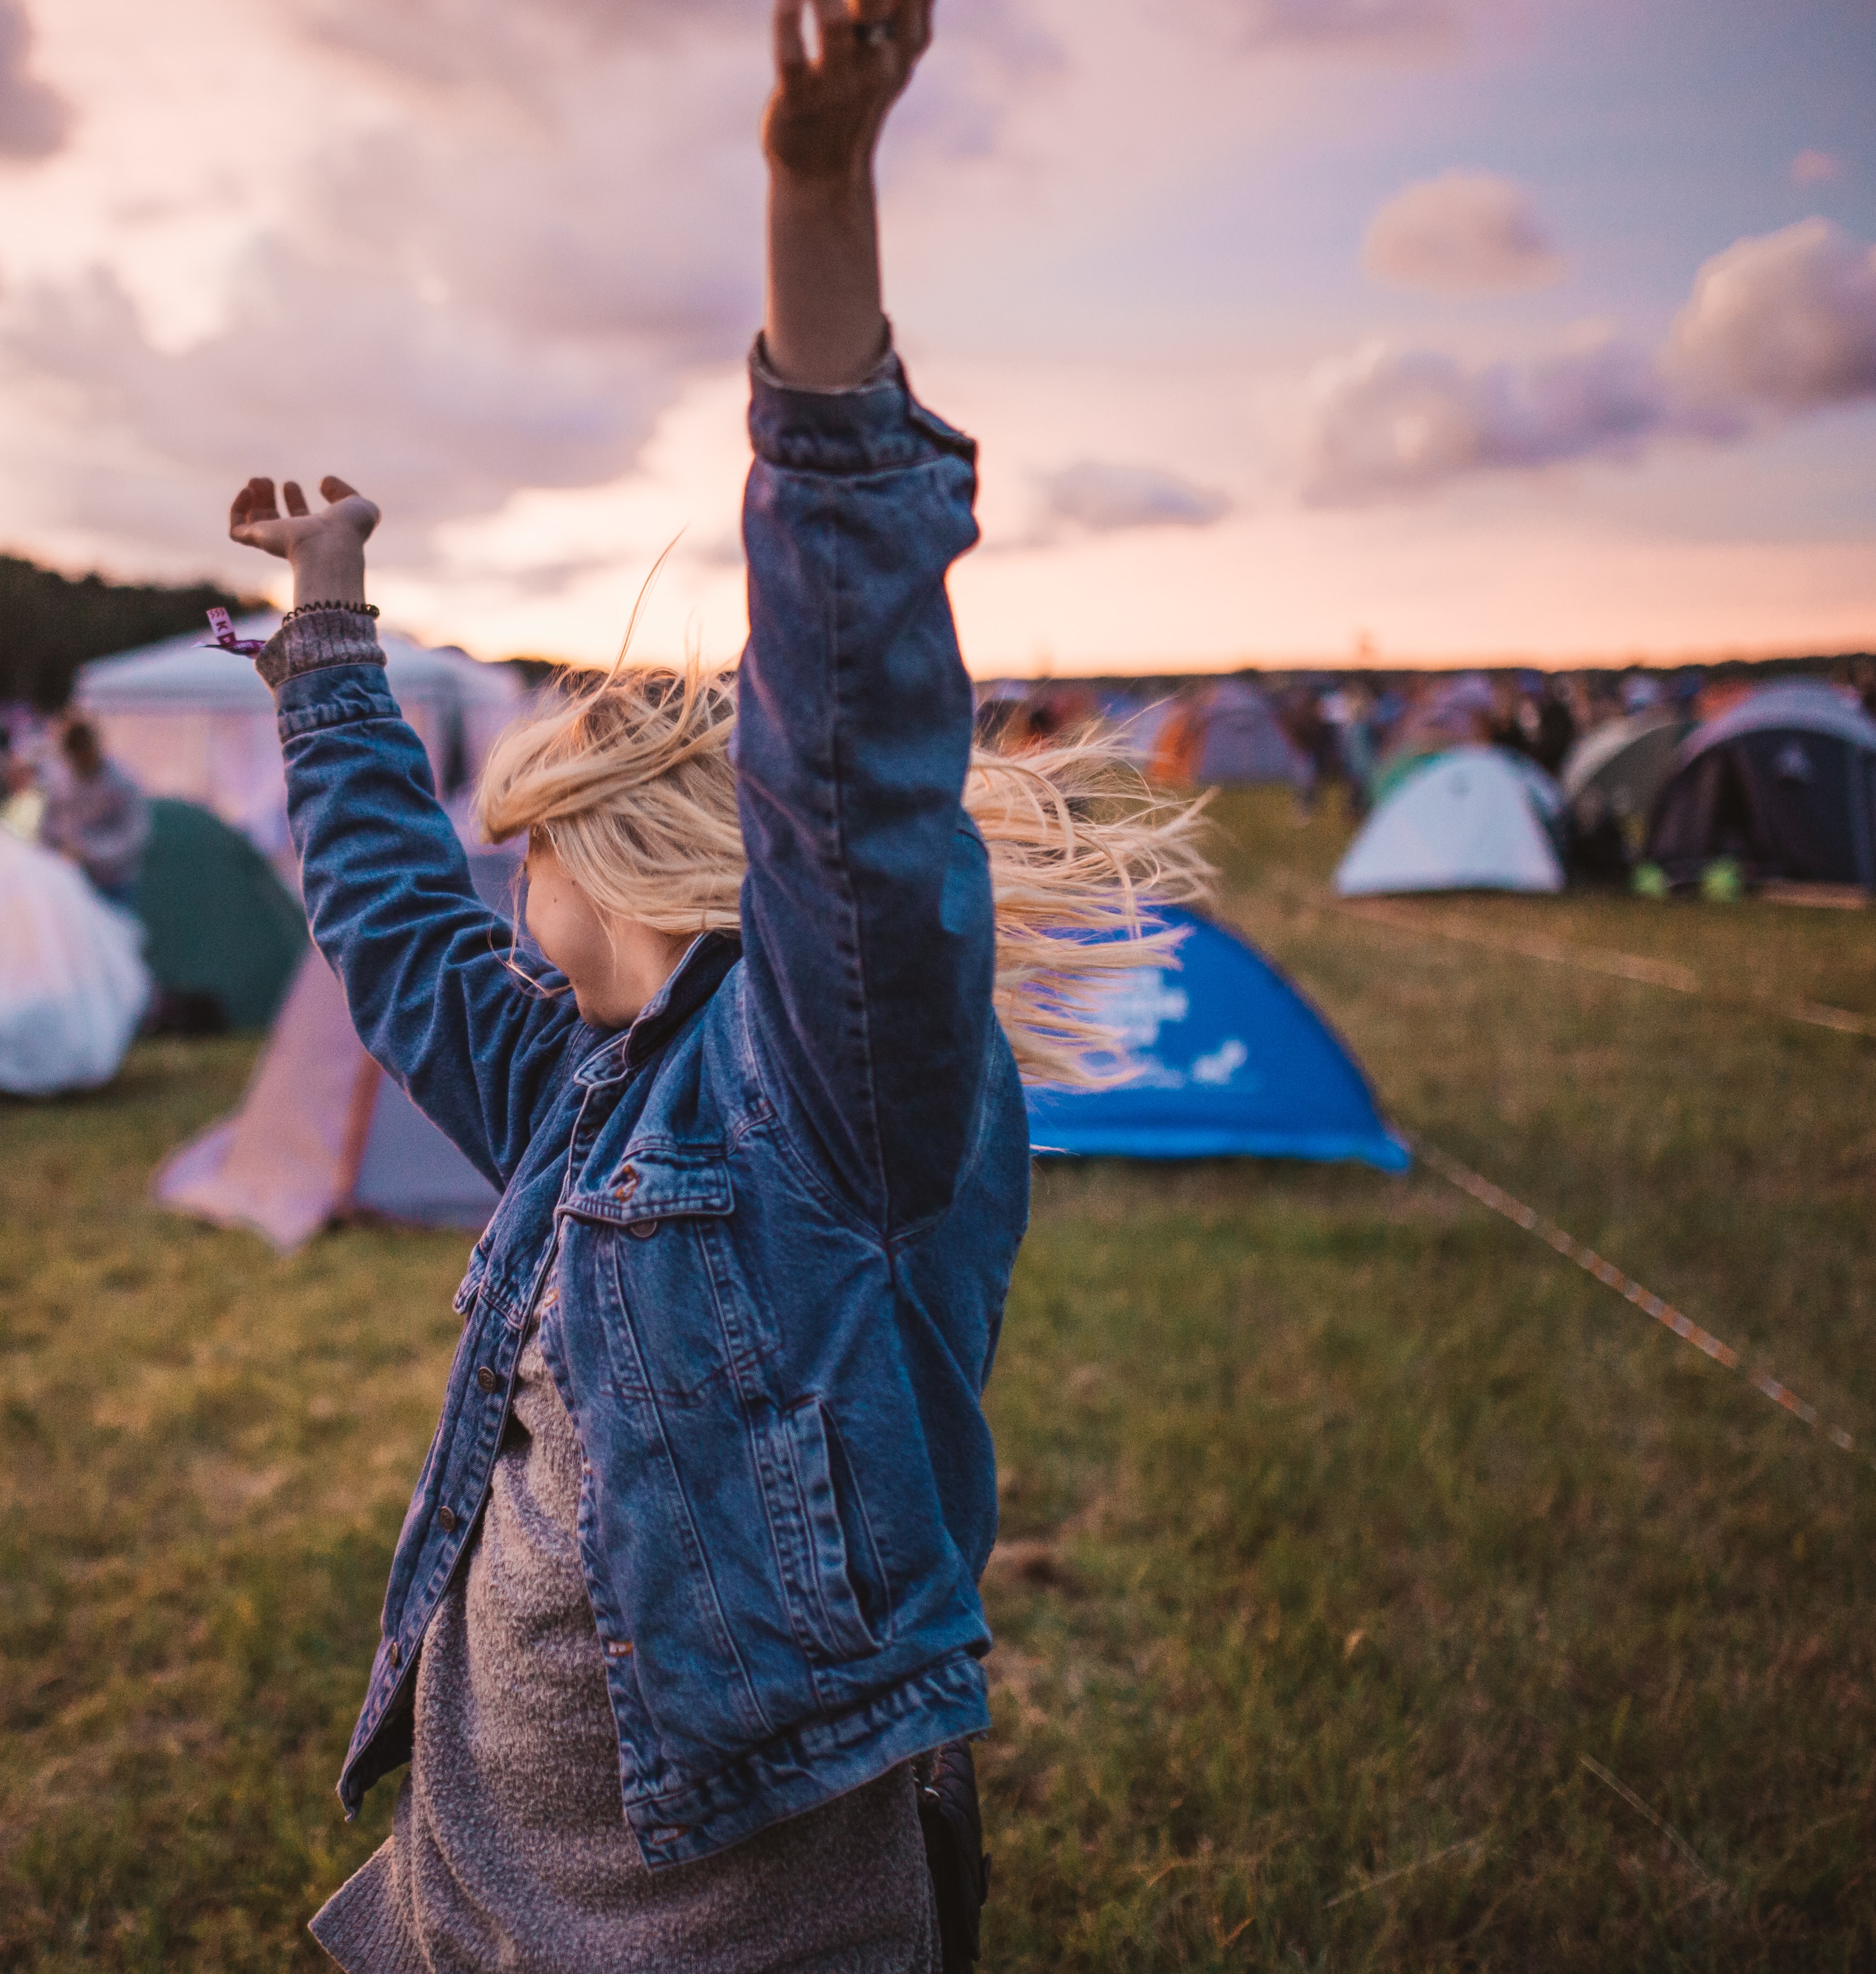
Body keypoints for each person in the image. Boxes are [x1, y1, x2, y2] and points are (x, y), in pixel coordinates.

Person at [226, 6, 1204, 1966]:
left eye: (531, 840)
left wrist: (813, 202)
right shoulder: (582, 1083)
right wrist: (328, 637)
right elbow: (392, 932)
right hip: (480, 1892)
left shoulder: (830, 1090)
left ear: (627, 846)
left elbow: (851, 738)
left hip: (730, 1930)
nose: (506, 885)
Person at [40, 715, 151, 902]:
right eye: (75, 754)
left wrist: (91, 852)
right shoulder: (61, 784)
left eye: (85, 751)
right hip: (73, 881)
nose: (81, 759)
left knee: (115, 929)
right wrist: (59, 855)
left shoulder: (121, 782)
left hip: (113, 883)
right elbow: (49, 830)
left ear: (95, 746)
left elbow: (136, 835)